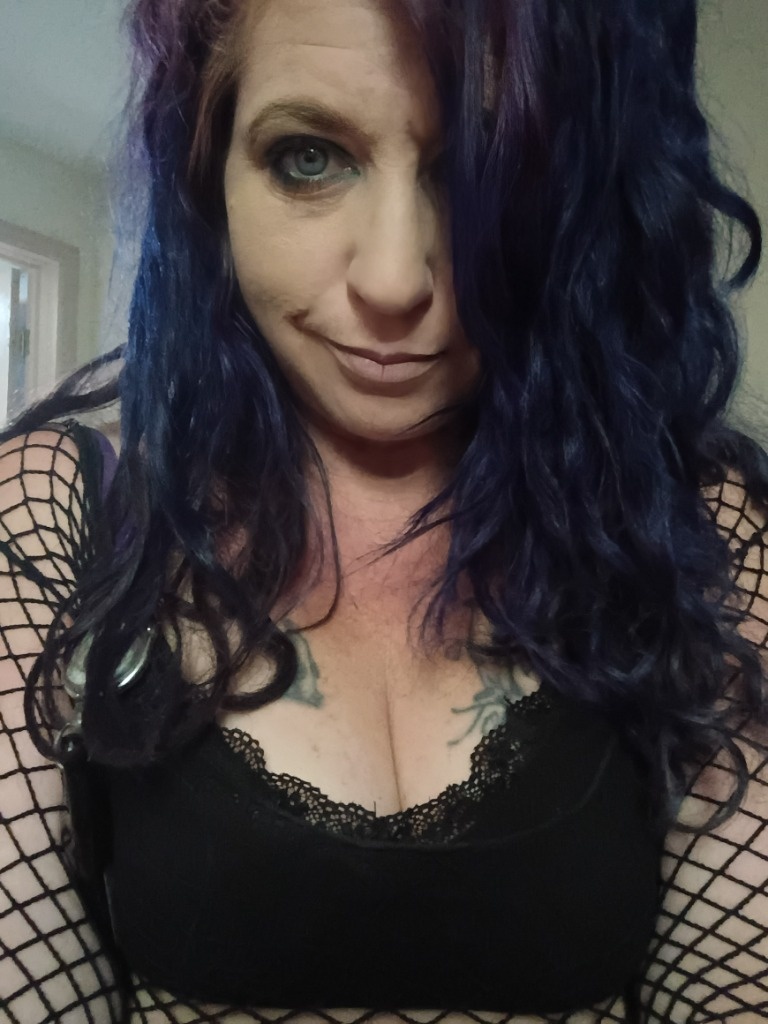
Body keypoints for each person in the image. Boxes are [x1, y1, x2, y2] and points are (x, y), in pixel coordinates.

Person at [1, 0, 767, 1021]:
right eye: (310, 158)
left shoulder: (695, 526)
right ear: (207, 171)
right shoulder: (58, 511)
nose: (396, 280)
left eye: (483, 173)